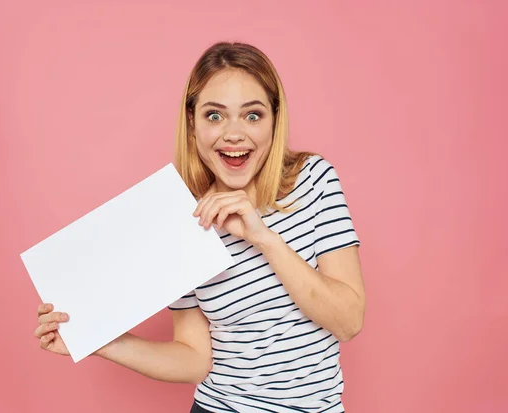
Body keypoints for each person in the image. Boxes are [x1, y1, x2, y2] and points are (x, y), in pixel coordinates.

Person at [34, 41, 365, 413]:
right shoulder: (180, 218)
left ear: (275, 118)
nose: (234, 134)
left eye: (252, 115)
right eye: (214, 115)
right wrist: (97, 340)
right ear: (192, 123)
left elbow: (348, 321)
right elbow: (195, 359)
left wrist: (264, 238)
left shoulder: (314, 181)